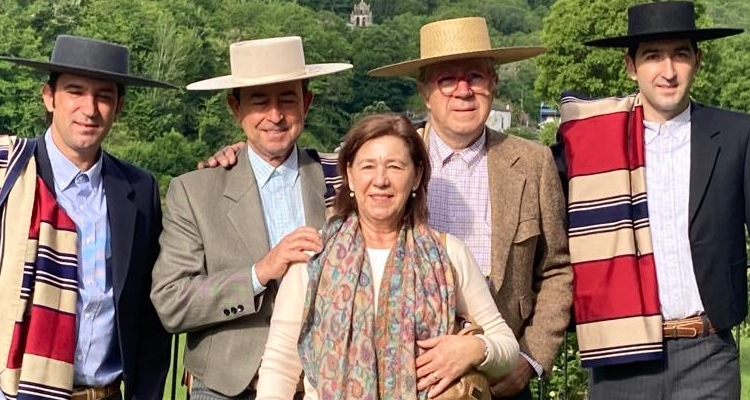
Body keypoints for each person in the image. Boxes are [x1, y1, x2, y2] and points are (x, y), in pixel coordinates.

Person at [203, 17, 572, 400]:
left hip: (500, 378)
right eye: (447, 79)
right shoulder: (389, 152)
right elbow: (282, 154)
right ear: (425, 91)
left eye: (476, 77)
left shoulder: (532, 162)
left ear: (493, 84)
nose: (463, 91)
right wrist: (239, 156)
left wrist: (525, 360)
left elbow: (557, 269)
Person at [555, 2, 748, 399]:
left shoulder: (736, 135)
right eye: (653, 56)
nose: (668, 70)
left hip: (707, 352)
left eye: (680, 54)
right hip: (620, 356)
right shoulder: (589, 144)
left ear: (698, 59)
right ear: (630, 66)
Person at [255, 112, 519, 399]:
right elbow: (280, 365)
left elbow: (506, 346)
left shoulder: (448, 254)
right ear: (350, 176)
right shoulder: (315, 257)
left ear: (416, 176)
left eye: (395, 166)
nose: (381, 180)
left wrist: (474, 350)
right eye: (368, 166)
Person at [149, 36, 352, 400]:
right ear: (235, 107)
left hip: (326, 384)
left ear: (306, 104)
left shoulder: (342, 179)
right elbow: (172, 301)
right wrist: (257, 274)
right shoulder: (195, 192)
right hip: (228, 387)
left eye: (287, 100)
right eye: (260, 101)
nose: (275, 115)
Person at [0, 35, 175, 400]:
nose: (89, 108)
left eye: (104, 96)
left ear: (119, 106)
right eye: (75, 91)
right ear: (49, 97)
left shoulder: (139, 190)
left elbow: (149, 312)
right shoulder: (9, 175)